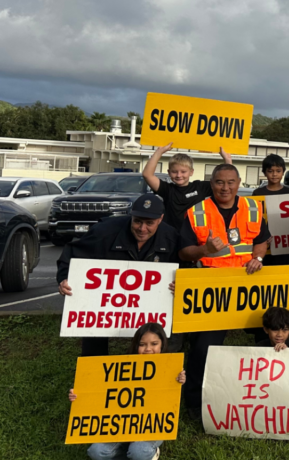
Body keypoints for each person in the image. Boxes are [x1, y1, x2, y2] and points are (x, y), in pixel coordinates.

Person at [178, 163, 269, 419]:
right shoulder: (196, 211)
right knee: (204, 347)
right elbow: (184, 251)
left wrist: (258, 259)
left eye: (230, 182)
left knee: (267, 338)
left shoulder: (253, 207)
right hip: (212, 287)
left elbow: (262, 240)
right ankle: (195, 402)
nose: (225, 187)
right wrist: (204, 250)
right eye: (219, 182)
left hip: (247, 285)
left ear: (239, 183)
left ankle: (265, 394)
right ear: (211, 183)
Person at [56, 193, 179, 357]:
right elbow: (72, 254)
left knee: (167, 332)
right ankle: (93, 376)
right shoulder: (103, 232)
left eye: (149, 223)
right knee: (92, 327)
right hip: (108, 302)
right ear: (131, 216)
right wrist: (64, 279)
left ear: (160, 219)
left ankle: (158, 377)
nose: (142, 229)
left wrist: (181, 283)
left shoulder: (171, 237)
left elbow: (185, 266)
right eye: (137, 221)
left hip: (151, 302)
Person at [68, 323, 185, 460]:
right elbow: (99, 391)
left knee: (140, 451)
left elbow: (170, 399)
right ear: (136, 346)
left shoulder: (170, 369)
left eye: (154, 344)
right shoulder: (123, 367)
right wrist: (79, 396)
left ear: (163, 344)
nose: (148, 349)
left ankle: (147, 454)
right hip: (121, 425)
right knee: (96, 451)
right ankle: (130, 456)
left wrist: (179, 380)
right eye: (143, 344)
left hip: (149, 427)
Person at [142, 144, 231, 232]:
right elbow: (147, 175)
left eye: (183, 172)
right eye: (174, 172)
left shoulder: (200, 187)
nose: (179, 175)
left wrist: (227, 160)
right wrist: (159, 152)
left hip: (195, 236)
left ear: (191, 172)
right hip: (171, 236)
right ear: (169, 172)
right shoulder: (167, 189)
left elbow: (225, 181)